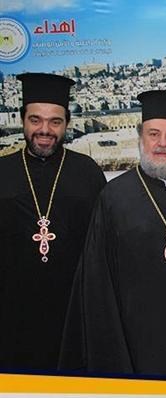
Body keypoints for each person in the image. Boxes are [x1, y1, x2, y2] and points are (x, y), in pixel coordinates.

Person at [59, 90, 166, 377]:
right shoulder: (114, 197)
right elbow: (97, 279)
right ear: (141, 138)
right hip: (138, 336)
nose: (163, 143)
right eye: (154, 134)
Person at [0, 73, 106, 371]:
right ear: (22, 120)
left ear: (66, 123)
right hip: (10, 316)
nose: (44, 130)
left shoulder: (87, 172)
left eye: (55, 122)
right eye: (35, 120)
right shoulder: (3, 171)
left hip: (74, 315)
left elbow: (103, 246)